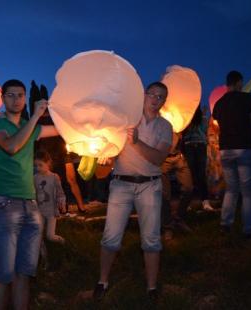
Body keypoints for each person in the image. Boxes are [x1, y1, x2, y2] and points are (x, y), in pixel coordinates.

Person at [93, 82, 172, 301]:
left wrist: (136, 142)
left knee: (151, 239)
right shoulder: (124, 121)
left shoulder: (165, 127)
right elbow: (101, 171)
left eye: (161, 97)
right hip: (121, 185)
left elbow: (158, 159)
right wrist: (104, 158)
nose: (155, 99)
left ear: (165, 101)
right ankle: (102, 281)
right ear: (143, 95)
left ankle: (152, 287)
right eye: (152, 94)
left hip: (150, 185)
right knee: (110, 237)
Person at [0, 79, 59, 310]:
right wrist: (36, 117)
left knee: (24, 273)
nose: (16, 99)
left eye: (20, 95)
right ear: (3, 99)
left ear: (26, 98)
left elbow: (62, 129)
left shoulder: (29, 125)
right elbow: (11, 146)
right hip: (4, 203)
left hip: (31, 205)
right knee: (3, 274)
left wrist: (94, 124)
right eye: (11, 95)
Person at [212, 71, 251, 237]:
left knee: (231, 189)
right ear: (239, 82)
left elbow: (218, 126)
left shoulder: (219, 103)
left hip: (226, 150)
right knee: (248, 192)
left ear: (227, 84)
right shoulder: (248, 99)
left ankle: (225, 224)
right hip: (245, 148)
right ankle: (248, 230)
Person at [161, 132, 194, 238]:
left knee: (188, 188)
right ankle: (168, 226)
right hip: (163, 159)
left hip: (179, 156)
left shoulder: (179, 119)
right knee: (164, 194)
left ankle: (179, 218)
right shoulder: (160, 119)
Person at [181, 106, 214, 211]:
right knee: (191, 174)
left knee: (199, 174)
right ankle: (190, 202)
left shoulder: (201, 118)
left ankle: (204, 201)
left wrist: (204, 116)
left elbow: (204, 130)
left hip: (198, 146)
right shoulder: (186, 118)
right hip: (191, 145)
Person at [34, 150, 66, 243]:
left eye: (40, 165)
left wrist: (62, 204)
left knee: (50, 236)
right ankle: (43, 254)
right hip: (39, 211)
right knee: (38, 235)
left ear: (48, 163)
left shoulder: (54, 177)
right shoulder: (34, 178)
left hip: (51, 212)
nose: (38, 168)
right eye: (36, 165)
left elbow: (60, 192)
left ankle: (62, 242)